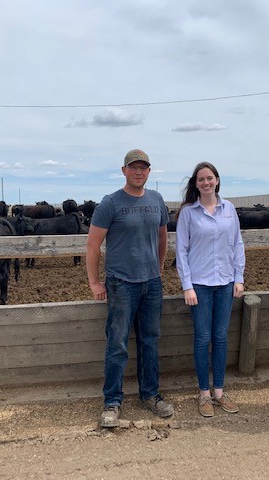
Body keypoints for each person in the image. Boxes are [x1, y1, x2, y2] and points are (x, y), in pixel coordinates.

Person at [86, 148, 174, 428]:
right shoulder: (111, 203)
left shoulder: (157, 200)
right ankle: (112, 401)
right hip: (121, 283)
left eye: (143, 167)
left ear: (149, 171)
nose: (138, 172)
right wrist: (94, 281)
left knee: (150, 340)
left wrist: (159, 268)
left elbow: (163, 237)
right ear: (124, 170)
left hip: (151, 283)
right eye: (133, 167)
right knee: (117, 343)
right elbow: (92, 244)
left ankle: (150, 394)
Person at [175, 162, 245, 417]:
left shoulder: (229, 209)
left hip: (225, 283)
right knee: (203, 338)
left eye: (210, 178)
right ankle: (204, 393)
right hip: (201, 286)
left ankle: (219, 391)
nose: (206, 182)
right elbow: (181, 250)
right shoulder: (188, 213)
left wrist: (239, 277)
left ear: (217, 180)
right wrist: (187, 286)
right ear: (195, 184)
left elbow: (237, 244)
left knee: (221, 338)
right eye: (201, 179)